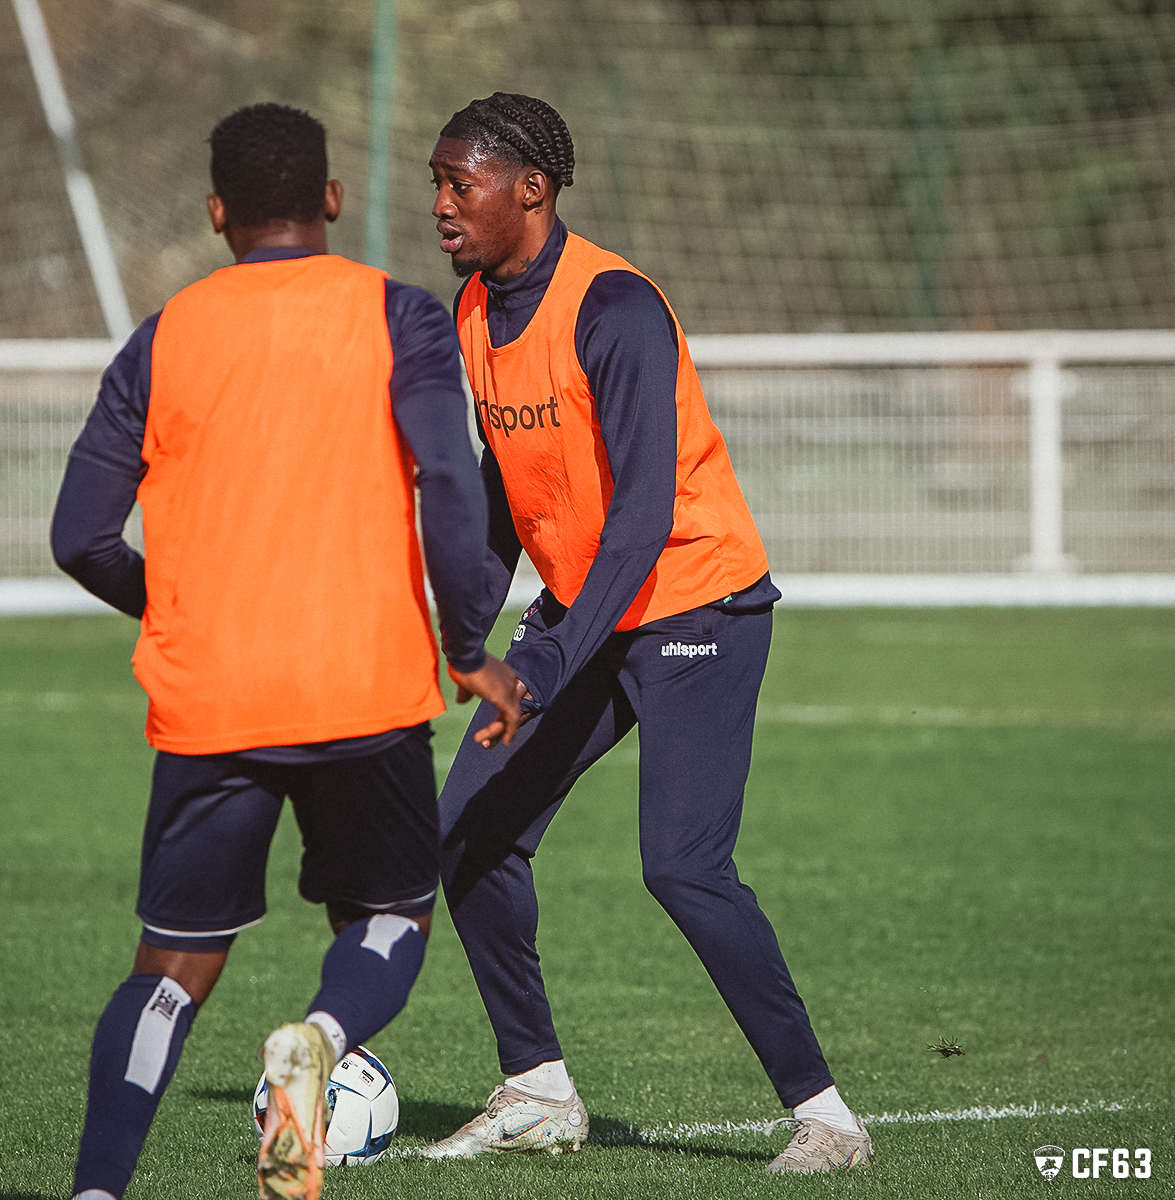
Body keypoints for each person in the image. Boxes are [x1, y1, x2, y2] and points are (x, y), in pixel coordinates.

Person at [49, 102, 523, 1200]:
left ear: (217, 214)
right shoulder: (397, 316)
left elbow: (77, 536)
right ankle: (318, 1036)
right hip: (362, 688)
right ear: (330, 201)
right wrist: (468, 648)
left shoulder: (162, 337)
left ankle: (95, 1192)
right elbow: (451, 485)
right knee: (391, 911)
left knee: (170, 967)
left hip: (209, 699)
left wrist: (178, 604)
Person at [417, 92, 874, 1175]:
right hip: (593, 611)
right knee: (467, 828)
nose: (440, 203)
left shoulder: (612, 307)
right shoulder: (472, 306)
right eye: (434, 182)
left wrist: (543, 658)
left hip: (695, 603)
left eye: (457, 182)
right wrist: (461, 634)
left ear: (530, 188)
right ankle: (535, 1089)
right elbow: (498, 496)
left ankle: (827, 1119)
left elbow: (639, 517)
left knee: (682, 867)